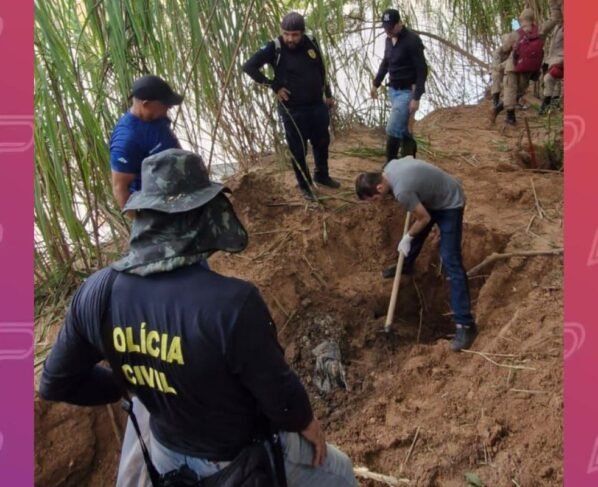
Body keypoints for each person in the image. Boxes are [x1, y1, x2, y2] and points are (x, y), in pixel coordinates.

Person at [39, 148, 357, 486]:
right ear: (199, 215)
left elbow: (56, 381)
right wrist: (307, 422)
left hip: (166, 455)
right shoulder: (233, 303)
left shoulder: (96, 293)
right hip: (237, 458)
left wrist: (132, 382)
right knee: (340, 471)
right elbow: (277, 394)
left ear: (143, 216)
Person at [355, 156, 478, 352]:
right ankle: (406, 265)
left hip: (450, 203)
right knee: (415, 236)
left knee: (450, 260)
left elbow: (425, 218)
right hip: (434, 197)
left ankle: (466, 325)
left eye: (375, 200)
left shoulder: (402, 191)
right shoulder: (390, 167)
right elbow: (408, 158)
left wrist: (407, 237)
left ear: (379, 188)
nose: (377, 203)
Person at [242, 12, 341, 201]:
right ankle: (305, 185)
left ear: (302, 33)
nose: (290, 39)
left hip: (317, 105)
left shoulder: (311, 41)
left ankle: (322, 174)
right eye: (286, 34)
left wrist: (328, 95)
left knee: (322, 142)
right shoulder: (274, 47)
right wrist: (273, 85)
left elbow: (321, 69)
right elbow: (248, 67)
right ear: (282, 32)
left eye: (295, 34)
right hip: (293, 110)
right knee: (298, 149)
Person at [110, 74, 183, 211]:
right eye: (165, 104)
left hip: (178, 196)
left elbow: (170, 141)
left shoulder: (156, 116)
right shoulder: (127, 140)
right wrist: (140, 226)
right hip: (155, 207)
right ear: (146, 104)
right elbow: (120, 188)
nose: (169, 108)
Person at [371, 8, 428, 162]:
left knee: (392, 128)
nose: (387, 31)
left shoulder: (412, 40)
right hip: (393, 91)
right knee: (404, 129)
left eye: (390, 27)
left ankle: (390, 163)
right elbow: (386, 62)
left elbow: (422, 70)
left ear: (399, 24)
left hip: (407, 92)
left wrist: (416, 98)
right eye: (385, 28)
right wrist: (376, 83)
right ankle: (409, 162)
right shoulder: (389, 40)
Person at [491, 9, 544, 125]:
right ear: (533, 19)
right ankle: (499, 109)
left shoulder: (517, 33)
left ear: (521, 20)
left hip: (513, 66)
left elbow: (505, 48)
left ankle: (510, 117)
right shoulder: (539, 33)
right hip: (528, 68)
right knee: (519, 91)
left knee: (510, 89)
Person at [539, 0, 564, 114]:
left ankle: (546, 104)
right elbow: (555, 17)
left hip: (561, 60)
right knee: (552, 79)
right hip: (556, 59)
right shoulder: (558, 27)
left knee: (549, 78)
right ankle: (554, 103)